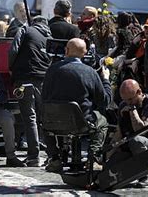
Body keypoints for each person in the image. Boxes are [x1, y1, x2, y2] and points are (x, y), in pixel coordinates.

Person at [42, 38, 112, 172]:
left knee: (45, 120)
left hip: (52, 122)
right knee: (102, 121)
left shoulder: (51, 70)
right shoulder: (89, 72)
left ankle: (54, 158)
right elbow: (104, 101)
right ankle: (93, 158)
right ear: (84, 53)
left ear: (66, 51)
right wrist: (106, 80)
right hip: (81, 122)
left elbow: (44, 97)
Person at [8, 16, 52, 167]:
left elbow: (13, 50)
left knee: (29, 117)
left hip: (24, 78)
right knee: (45, 118)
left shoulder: (25, 30)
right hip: (43, 80)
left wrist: (12, 69)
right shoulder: (49, 37)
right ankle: (52, 155)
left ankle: (33, 157)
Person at [107, 79, 148, 187]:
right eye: (125, 100)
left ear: (139, 92)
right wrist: (106, 155)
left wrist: (132, 111)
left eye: (130, 99)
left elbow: (141, 130)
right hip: (131, 146)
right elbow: (119, 133)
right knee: (108, 169)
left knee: (136, 140)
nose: (128, 103)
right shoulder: (123, 105)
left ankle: (146, 174)